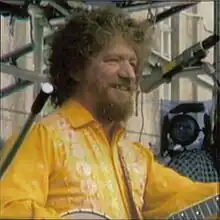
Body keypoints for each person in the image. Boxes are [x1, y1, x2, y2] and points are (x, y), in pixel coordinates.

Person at [0, 6, 219, 219]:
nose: (129, 74)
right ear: (76, 69)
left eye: (133, 64)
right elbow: (9, 208)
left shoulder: (137, 158)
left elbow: (191, 197)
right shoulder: (41, 138)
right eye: (113, 60)